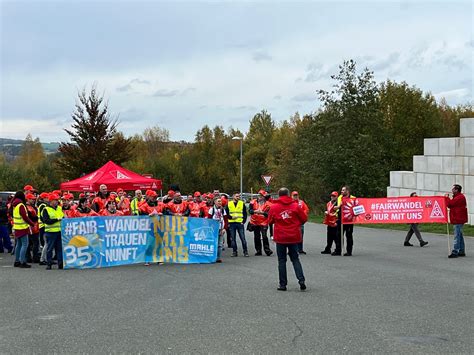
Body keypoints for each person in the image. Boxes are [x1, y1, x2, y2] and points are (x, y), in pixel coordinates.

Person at [268, 188, 308, 291]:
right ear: (289, 194)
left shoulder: (274, 207)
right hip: (293, 236)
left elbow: (270, 220)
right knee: (295, 259)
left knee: (281, 260)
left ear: (278, 195)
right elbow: (304, 218)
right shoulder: (295, 205)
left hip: (281, 237)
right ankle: (301, 280)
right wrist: (296, 224)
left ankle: (283, 284)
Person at [10, 191, 35, 268]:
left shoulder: (14, 204)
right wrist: (32, 224)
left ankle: (17, 261)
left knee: (19, 245)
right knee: (24, 245)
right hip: (23, 228)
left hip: (17, 227)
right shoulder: (21, 205)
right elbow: (25, 217)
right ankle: (22, 261)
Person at [41, 193, 64, 270]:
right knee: (50, 249)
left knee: (59, 248)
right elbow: (46, 221)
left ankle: (60, 264)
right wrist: (57, 219)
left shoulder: (59, 208)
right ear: (51, 201)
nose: (57, 201)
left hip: (59, 231)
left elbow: (63, 217)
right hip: (50, 232)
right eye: (55, 200)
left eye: (57, 200)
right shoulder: (46, 209)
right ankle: (49, 264)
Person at [446, 184, 468, 258]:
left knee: (456, 236)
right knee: (459, 235)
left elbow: (449, 204)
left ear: (457, 190)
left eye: (454, 189)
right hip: (458, 218)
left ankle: (455, 251)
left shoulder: (459, 197)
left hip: (458, 219)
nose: (452, 190)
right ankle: (461, 251)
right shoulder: (458, 197)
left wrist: (447, 198)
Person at [249, 190, 273, 256]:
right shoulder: (253, 202)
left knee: (264, 236)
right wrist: (254, 211)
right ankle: (258, 250)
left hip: (264, 222)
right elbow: (250, 211)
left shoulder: (269, 204)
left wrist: (262, 213)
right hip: (255, 221)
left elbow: (270, 214)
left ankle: (267, 250)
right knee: (256, 237)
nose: (260, 197)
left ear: (264, 197)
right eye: (259, 195)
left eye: (261, 196)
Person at [333, 186, 356, 256]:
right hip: (340, 218)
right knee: (338, 235)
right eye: (342, 190)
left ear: (347, 191)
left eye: (343, 190)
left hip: (349, 219)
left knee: (349, 235)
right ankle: (338, 250)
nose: (341, 191)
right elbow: (336, 206)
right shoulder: (340, 197)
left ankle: (349, 251)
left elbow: (357, 208)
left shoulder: (353, 198)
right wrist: (338, 206)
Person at [226, 192, 248, 257]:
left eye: (238, 196)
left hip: (239, 223)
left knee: (243, 238)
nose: (238, 197)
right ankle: (234, 252)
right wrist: (230, 217)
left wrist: (243, 221)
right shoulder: (229, 204)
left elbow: (245, 213)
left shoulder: (241, 203)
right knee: (233, 239)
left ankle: (245, 251)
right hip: (232, 223)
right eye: (236, 196)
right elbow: (226, 213)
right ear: (233, 197)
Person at [208, 197, 227, 263]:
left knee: (220, 244)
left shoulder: (223, 210)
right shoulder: (211, 210)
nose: (220, 203)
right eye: (218, 201)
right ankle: (213, 257)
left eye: (220, 201)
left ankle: (218, 257)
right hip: (213, 229)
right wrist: (210, 229)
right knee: (213, 243)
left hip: (221, 229)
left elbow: (225, 220)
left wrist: (224, 228)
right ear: (215, 202)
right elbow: (209, 220)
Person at [25, 193, 41, 263]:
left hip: (34, 227)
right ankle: (33, 257)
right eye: (32, 199)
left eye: (34, 199)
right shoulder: (28, 207)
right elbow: (32, 217)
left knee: (32, 243)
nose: (34, 200)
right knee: (34, 243)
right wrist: (36, 218)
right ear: (28, 199)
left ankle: (30, 257)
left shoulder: (31, 206)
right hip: (31, 228)